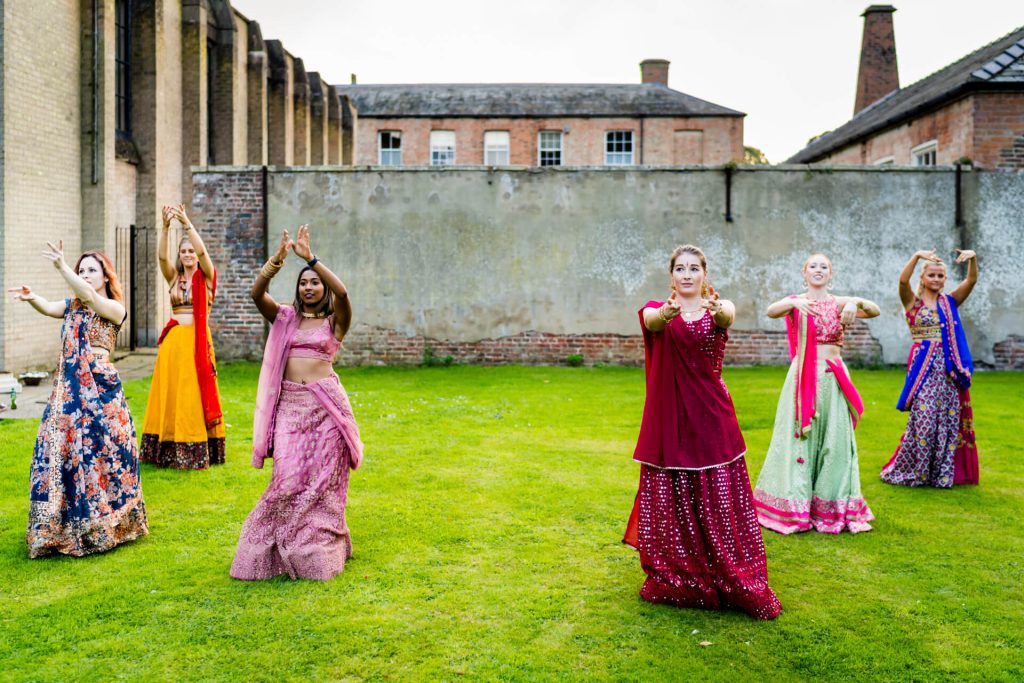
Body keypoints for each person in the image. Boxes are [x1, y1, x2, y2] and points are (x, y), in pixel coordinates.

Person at [623, 244, 781, 620]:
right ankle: (679, 571)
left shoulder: (717, 310)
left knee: (717, 493)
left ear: (704, 274)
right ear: (672, 276)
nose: (688, 274)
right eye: (681, 268)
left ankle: (725, 570)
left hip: (711, 415)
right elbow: (652, 321)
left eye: (695, 268)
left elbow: (727, 315)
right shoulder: (654, 308)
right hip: (671, 419)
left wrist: (718, 308)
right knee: (674, 491)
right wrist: (668, 311)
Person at [231, 225, 364, 581]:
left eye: (314, 282)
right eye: (304, 282)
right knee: (287, 480)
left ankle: (318, 542)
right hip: (290, 407)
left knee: (322, 482)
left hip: (326, 409)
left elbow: (344, 292)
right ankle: (273, 545)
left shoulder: (336, 322)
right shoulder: (286, 318)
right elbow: (257, 293)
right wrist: (276, 262)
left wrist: (311, 259)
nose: (309, 287)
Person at [10, 242, 148, 557]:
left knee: (107, 455)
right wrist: (33, 298)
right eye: (81, 269)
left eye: (91, 270)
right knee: (64, 454)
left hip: (101, 392)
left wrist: (61, 268)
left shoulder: (114, 306)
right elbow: (49, 307)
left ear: (105, 276)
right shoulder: (72, 305)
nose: (85, 274)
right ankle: (61, 527)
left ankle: (110, 525)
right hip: (69, 394)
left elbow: (89, 297)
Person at [752, 254, 880, 535]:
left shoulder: (839, 302)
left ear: (830, 274)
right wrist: (793, 302)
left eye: (824, 266)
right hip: (803, 375)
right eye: (813, 266)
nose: (818, 270)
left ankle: (829, 508)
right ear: (804, 272)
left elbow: (874, 310)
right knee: (798, 438)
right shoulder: (796, 301)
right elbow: (772, 310)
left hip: (833, 375)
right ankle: (794, 507)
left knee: (835, 440)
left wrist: (854, 302)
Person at [881, 249, 978, 488]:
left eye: (941, 276)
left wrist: (973, 259)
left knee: (946, 422)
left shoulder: (950, 302)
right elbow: (903, 280)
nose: (936, 279)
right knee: (924, 420)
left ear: (945, 279)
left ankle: (941, 474)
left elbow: (971, 280)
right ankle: (919, 473)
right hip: (923, 367)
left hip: (948, 368)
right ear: (923, 278)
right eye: (932, 275)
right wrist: (915, 257)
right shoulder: (912, 302)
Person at [140, 205, 225, 469]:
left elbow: (203, 252)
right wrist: (165, 228)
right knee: (172, 393)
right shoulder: (174, 278)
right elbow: (161, 258)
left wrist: (186, 223)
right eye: (183, 251)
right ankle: (168, 447)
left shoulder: (206, 278)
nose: (188, 254)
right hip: (174, 344)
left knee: (192, 393)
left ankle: (196, 445)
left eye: (191, 251)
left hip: (197, 343)